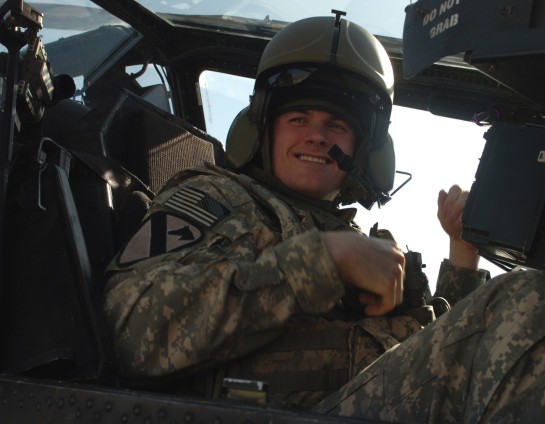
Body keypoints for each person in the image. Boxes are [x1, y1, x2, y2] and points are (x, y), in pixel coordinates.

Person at [103, 14, 486, 409]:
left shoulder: (361, 241)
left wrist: (463, 249)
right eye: (298, 119)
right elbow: (135, 335)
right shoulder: (217, 196)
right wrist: (323, 262)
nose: (317, 136)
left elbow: (446, 352)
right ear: (262, 131)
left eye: (337, 125)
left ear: (364, 153)